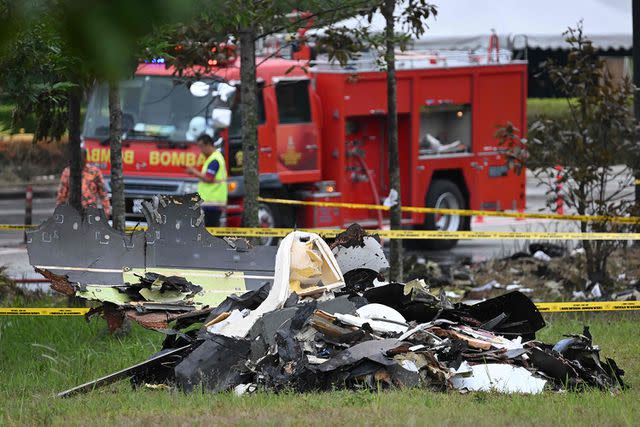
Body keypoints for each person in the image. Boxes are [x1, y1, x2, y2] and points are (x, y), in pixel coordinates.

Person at [186, 132, 228, 227]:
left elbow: (208, 178)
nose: (200, 150)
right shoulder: (214, 158)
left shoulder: (214, 160)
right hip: (212, 203)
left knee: (211, 231)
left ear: (208, 145)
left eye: (201, 147)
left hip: (213, 203)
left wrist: (194, 172)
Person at [56, 146, 111, 216]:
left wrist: (106, 212)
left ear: (85, 158)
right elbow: (61, 196)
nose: (79, 161)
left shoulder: (94, 172)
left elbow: (103, 194)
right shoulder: (68, 172)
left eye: (81, 158)